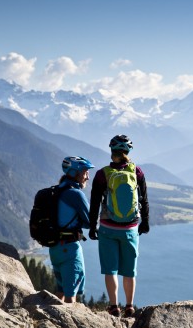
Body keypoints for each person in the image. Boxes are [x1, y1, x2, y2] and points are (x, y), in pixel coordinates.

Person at [89, 134, 150, 317]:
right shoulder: (136, 172)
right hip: (130, 228)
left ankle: (114, 306)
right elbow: (144, 200)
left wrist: (93, 226)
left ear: (112, 152)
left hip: (108, 228)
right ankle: (130, 306)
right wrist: (145, 222)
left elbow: (94, 203)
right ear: (128, 151)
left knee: (111, 269)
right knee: (129, 271)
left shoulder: (102, 174)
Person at [50, 156, 94, 304]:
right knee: (70, 295)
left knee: (61, 290)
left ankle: (50, 318)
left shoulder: (57, 190)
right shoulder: (75, 194)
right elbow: (90, 222)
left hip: (55, 247)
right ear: (76, 173)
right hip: (69, 249)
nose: (88, 176)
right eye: (85, 172)